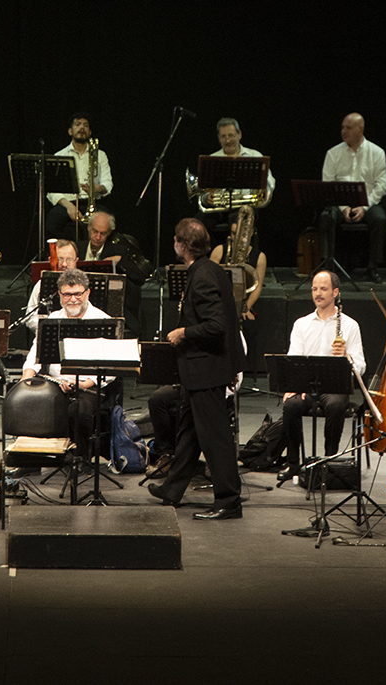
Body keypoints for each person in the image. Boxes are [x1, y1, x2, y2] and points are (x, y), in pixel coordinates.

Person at [147, 218, 244, 520]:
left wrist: (183, 333)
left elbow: (215, 325)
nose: (174, 243)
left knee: (215, 437)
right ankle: (172, 489)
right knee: (189, 432)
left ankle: (229, 500)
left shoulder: (202, 276)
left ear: (182, 245)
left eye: (176, 239)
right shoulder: (209, 269)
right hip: (202, 369)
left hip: (207, 369)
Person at [277, 270, 366, 484]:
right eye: (314, 289)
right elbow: (294, 359)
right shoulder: (302, 324)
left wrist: (346, 357)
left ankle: (329, 460)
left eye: (323, 289)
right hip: (307, 386)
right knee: (290, 405)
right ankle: (293, 463)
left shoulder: (350, 325)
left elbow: (361, 366)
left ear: (335, 292)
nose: (318, 293)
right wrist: (293, 385)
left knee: (335, 405)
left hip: (335, 387)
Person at [22, 267, 110, 461]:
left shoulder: (103, 320)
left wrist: (85, 384)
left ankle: (80, 457)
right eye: (67, 294)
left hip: (88, 388)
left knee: (79, 409)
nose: (72, 299)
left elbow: (111, 369)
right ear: (60, 294)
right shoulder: (51, 320)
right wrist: (26, 378)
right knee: (30, 401)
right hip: (55, 383)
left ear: (87, 292)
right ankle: (32, 461)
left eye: (78, 294)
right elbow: (35, 354)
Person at [317, 112, 386, 281]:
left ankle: (373, 267)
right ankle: (328, 268)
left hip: (367, 202)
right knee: (326, 217)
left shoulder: (377, 152)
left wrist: (364, 207)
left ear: (360, 129)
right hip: (340, 202)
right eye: (342, 127)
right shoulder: (333, 153)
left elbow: (382, 185)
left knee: (380, 219)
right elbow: (327, 184)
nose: (343, 131)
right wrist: (343, 208)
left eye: (348, 128)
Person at [46, 113, 111, 242]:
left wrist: (96, 188)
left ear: (90, 132)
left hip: (92, 201)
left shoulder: (100, 155)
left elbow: (108, 184)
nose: (82, 128)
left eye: (85, 125)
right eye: (77, 124)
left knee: (109, 220)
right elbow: (51, 190)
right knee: (52, 222)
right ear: (70, 131)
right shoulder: (59, 155)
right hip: (68, 203)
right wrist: (68, 205)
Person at [84, 211, 149, 336]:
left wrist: (120, 261)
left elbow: (139, 278)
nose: (97, 237)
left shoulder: (119, 251)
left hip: (108, 307)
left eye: (102, 233)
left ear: (109, 233)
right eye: (94, 231)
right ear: (88, 228)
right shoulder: (77, 248)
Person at [204, 116, 275, 208]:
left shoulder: (254, 156)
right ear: (219, 138)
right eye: (223, 136)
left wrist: (265, 189)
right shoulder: (212, 159)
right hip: (219, 209)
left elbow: (269, 180)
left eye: (231, 135)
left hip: (248, 207)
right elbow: (204, 192)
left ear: (239, 135)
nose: (228, 140)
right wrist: (206, 198)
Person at [25, 240, 79, 335]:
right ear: (51, 260)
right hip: (49, 337)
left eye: (69, 259)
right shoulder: (41, 284)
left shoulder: (84, 286)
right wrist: (49, 327)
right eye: (60, 259)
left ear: (76, 261)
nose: (64, 264)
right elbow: (29, 317)